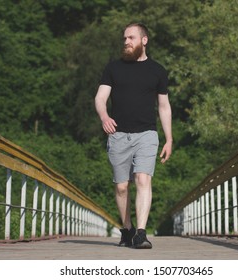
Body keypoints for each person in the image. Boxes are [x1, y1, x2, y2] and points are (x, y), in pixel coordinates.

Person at [94, 23, 172, 249]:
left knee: (143, 179)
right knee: (121, 187)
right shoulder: (113, 68)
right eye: (124, 39)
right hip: (118, 135)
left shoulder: (158, 70)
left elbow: (164, 106)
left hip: (147, 134)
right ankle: (127, 229)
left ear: (144, 40)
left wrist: (169, 139)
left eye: (131, 38)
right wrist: (104, 117)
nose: (126, 42)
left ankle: (141, 233)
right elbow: (100, 98)